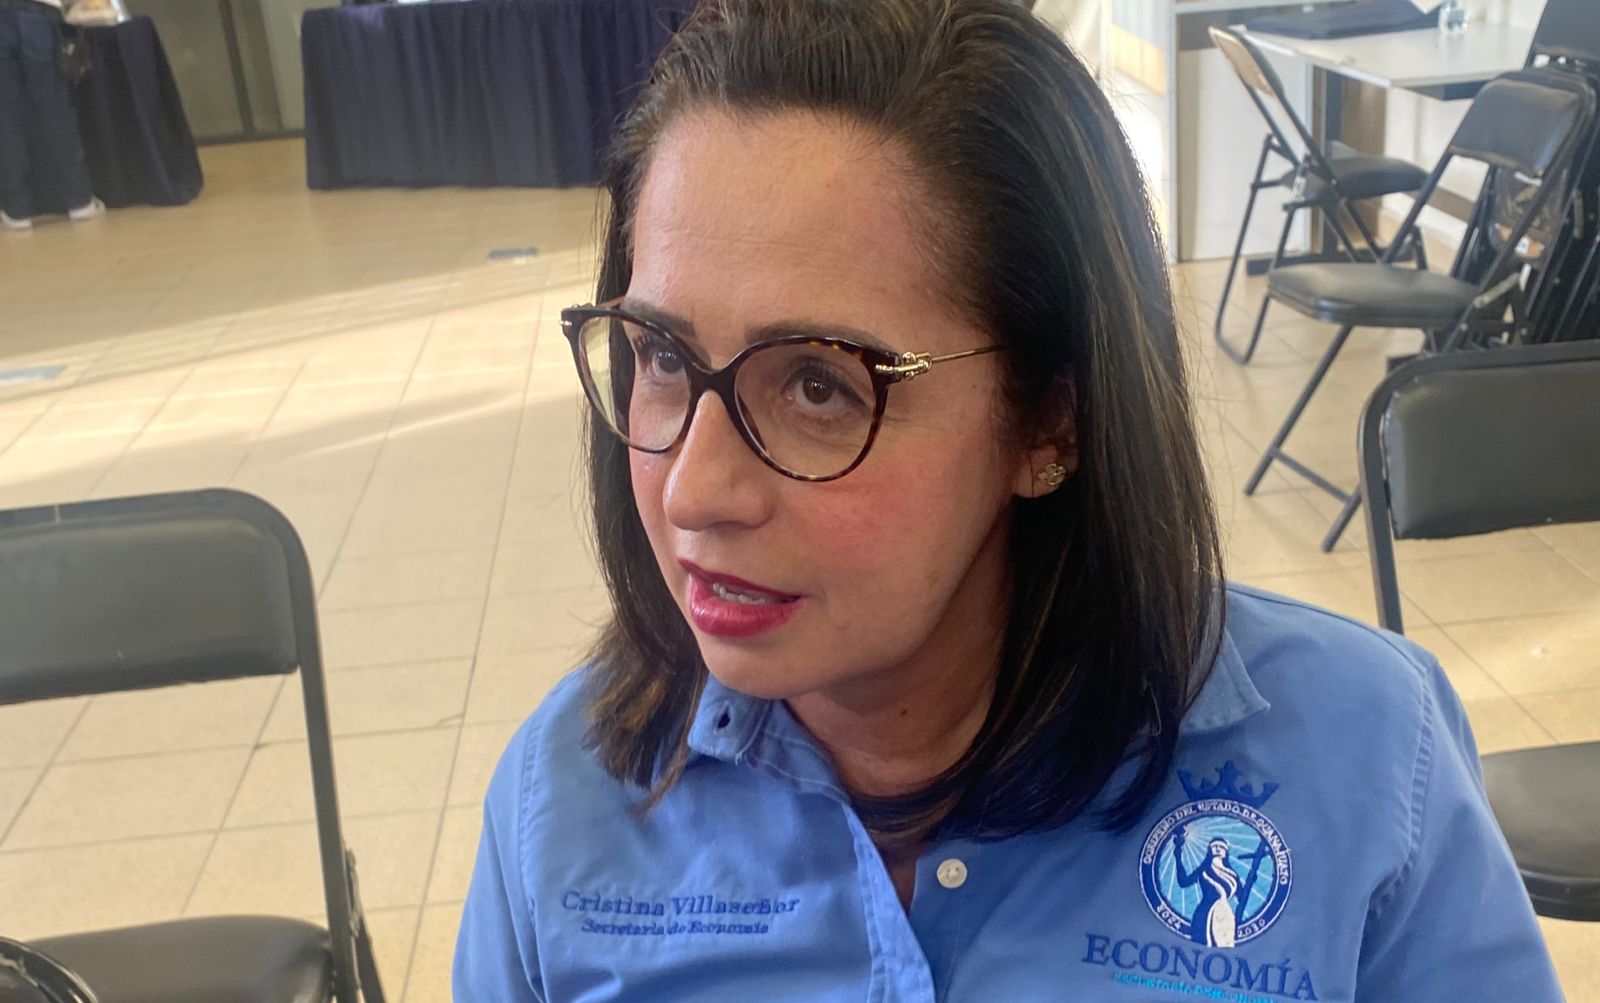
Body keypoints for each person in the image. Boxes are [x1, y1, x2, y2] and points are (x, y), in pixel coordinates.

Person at [454, 1, 1564, 1000]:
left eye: (819, 387)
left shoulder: (1362, 764)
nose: (697, 490)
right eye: (660, 355)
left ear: (1050, 425)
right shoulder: (566, 799)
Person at [0, 0, 104, 231]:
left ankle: (16, 210)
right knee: (54, 109)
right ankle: (79, 200)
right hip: (38, 12)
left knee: (5, 118)